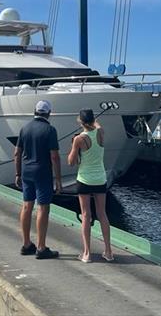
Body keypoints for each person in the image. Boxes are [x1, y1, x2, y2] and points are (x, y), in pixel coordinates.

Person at [14, 100, 62, 259]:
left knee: (27, 206)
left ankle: (26, 244)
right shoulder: (50, 130)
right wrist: (58, 179)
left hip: (26, 172)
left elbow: (17, 153)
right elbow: (54, 156)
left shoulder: (24, 128)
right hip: (42, 173)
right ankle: (41, 247)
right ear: (48, 114)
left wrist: (18, 174)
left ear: (34, 111)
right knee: (43, 208)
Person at [67, 108, 114, 263]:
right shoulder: (101, 133)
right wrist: (94, 121)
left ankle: (87, 253)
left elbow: (71, 162)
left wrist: (73, 146)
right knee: (102, 214)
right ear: (93, 120)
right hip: (100, 179)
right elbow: (98, 126)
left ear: (80, 121)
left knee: (86, 215)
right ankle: (108, 251)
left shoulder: (79, 139)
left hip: (84, 180)